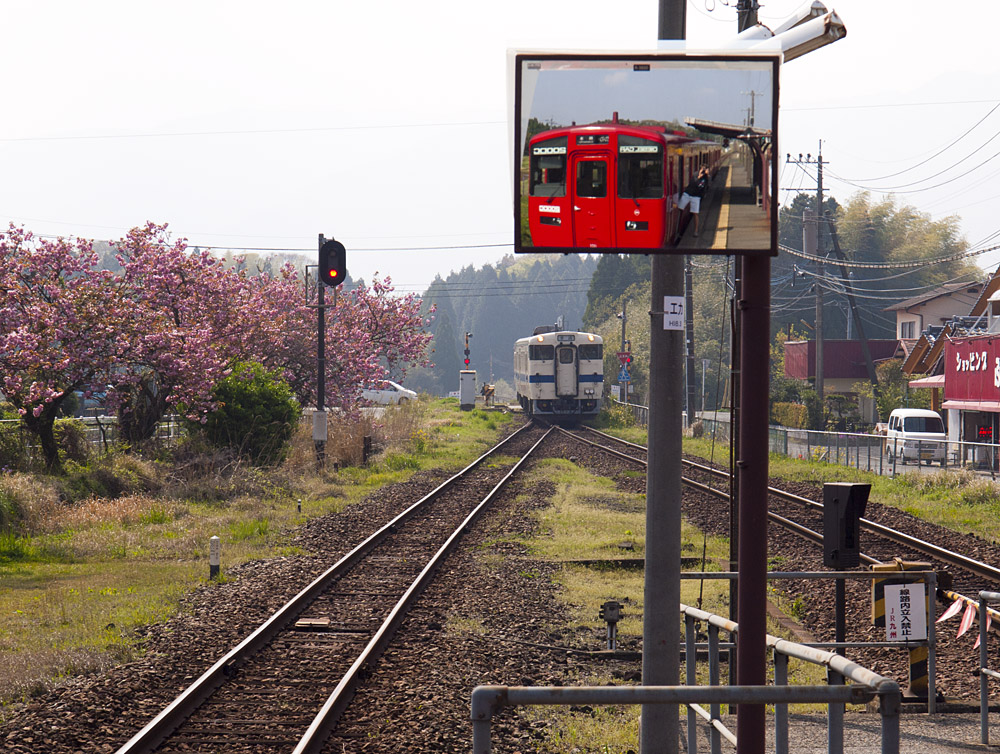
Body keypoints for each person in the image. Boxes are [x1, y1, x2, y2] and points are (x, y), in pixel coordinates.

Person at [676, 166, 711, 238]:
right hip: (687, 194)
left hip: (696, 197)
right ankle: (677, 228)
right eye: (703, 169)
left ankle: (696, 231)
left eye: (706, 170)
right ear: (700, 169)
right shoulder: (695, 174)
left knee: (695, 213)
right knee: (679, 208)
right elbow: (693, 183)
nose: (704, 171)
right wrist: (699, 177)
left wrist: (706, 176)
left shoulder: (706, 178)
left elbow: (705, 187)